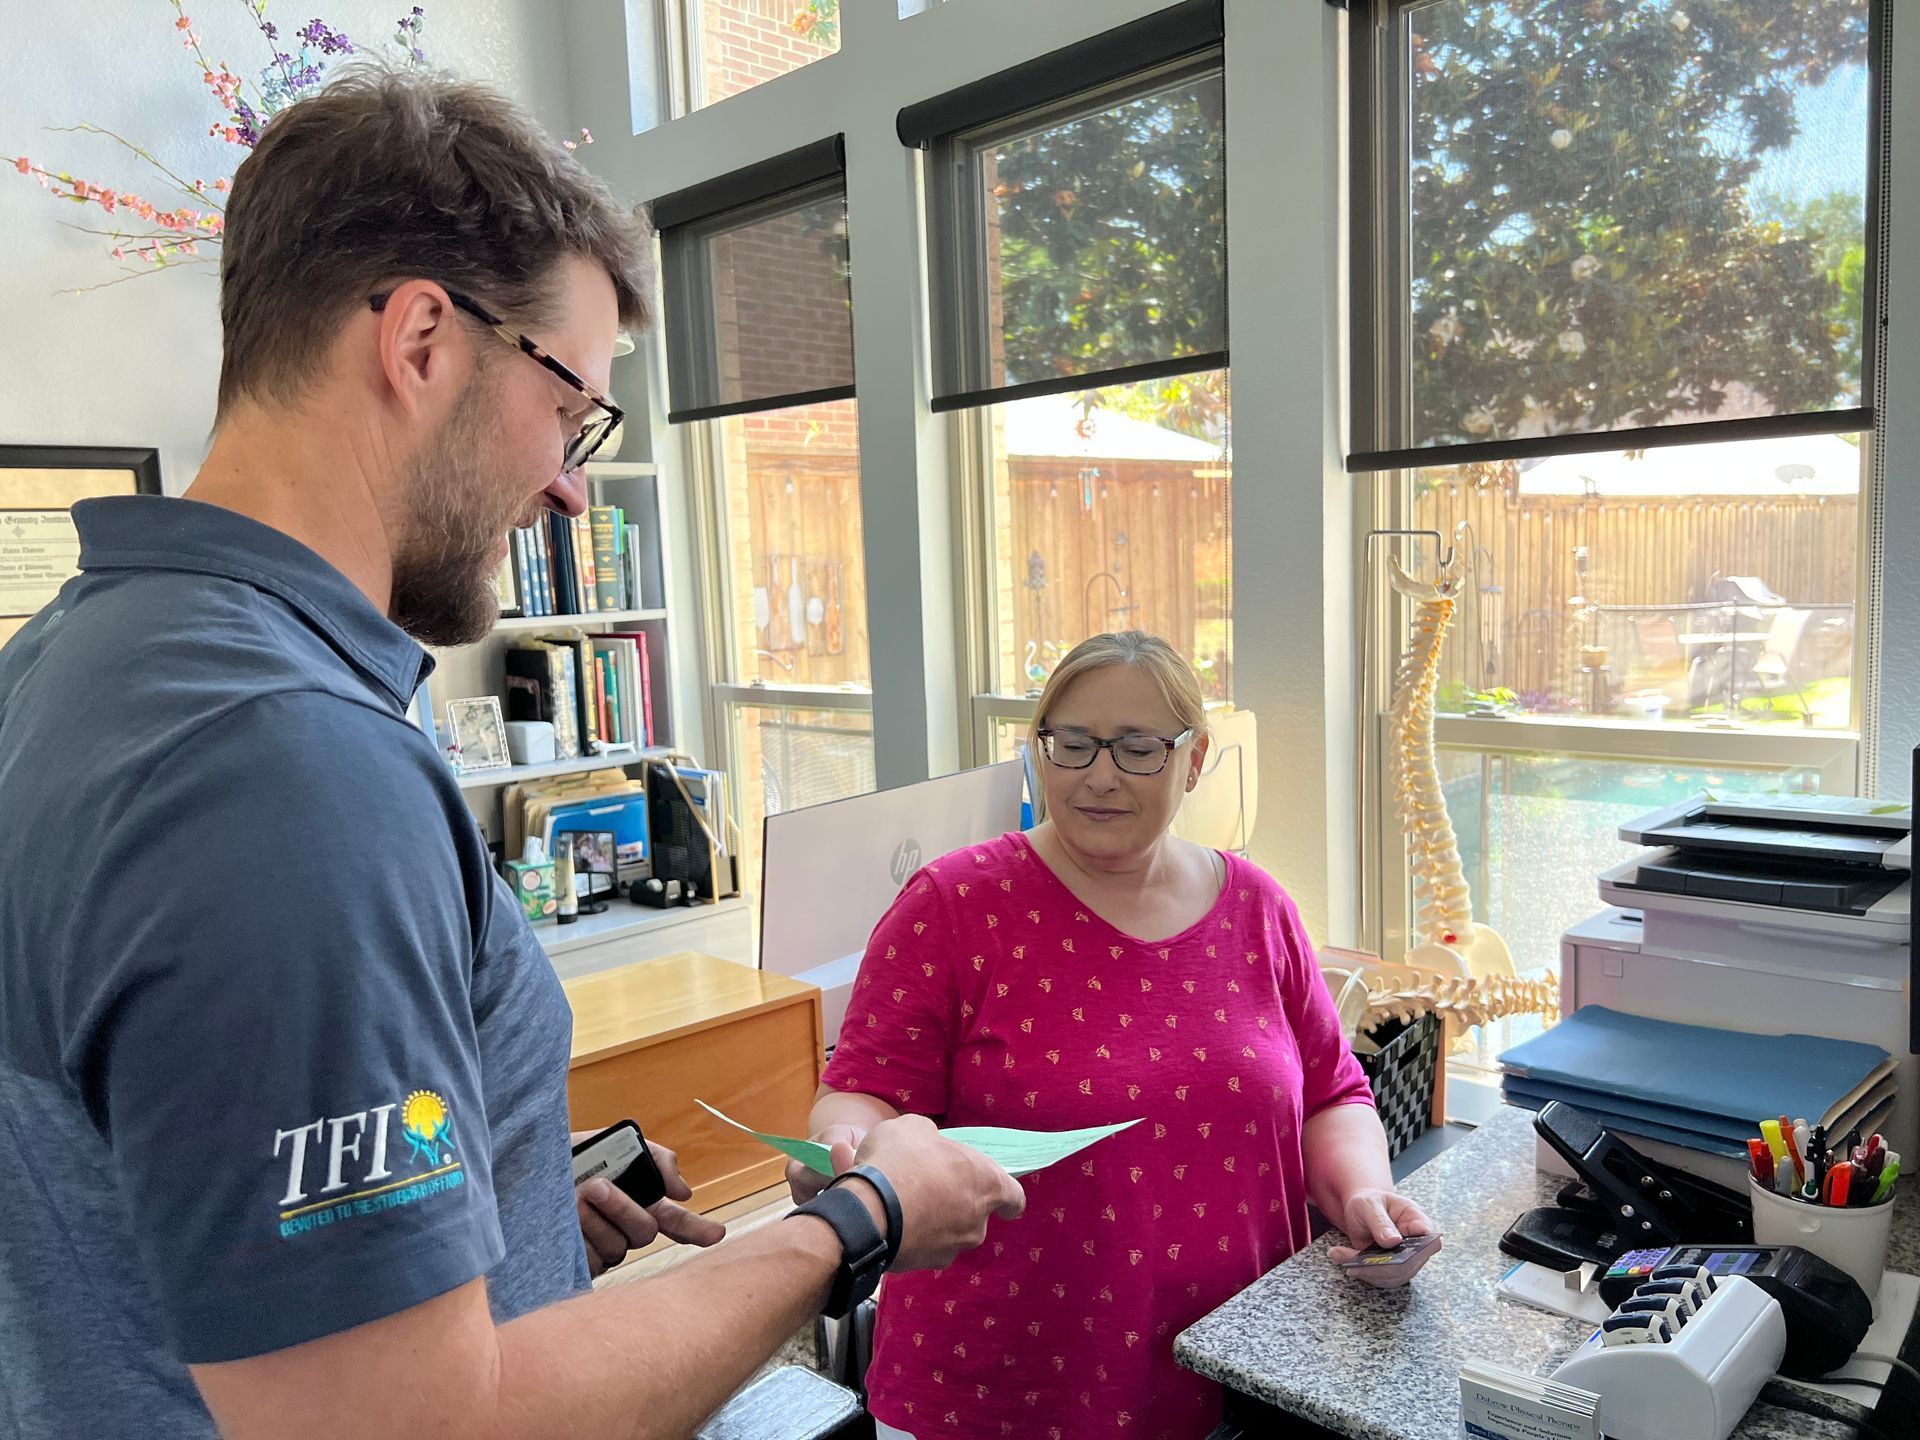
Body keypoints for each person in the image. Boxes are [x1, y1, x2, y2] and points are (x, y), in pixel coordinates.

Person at [0, 68, 1022, 1440]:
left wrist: (499, 1217)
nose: (571, 483)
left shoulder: (72, 664)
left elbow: (171, 1199)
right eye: (569, 405)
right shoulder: (285, 773)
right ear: (420, 339)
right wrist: (858, 1222)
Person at [792, 631, 1437, 1440]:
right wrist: (846, 1149)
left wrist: (1365, 1197)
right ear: (1039, 750)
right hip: (1007, 1389)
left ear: (1194, 760)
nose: (1099, 776)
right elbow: (865, 1091)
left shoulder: (1259, 908)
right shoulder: (952, 907)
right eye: (1072, 744)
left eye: (1138, 749)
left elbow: (1331, 1091)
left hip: (1236, 1365)